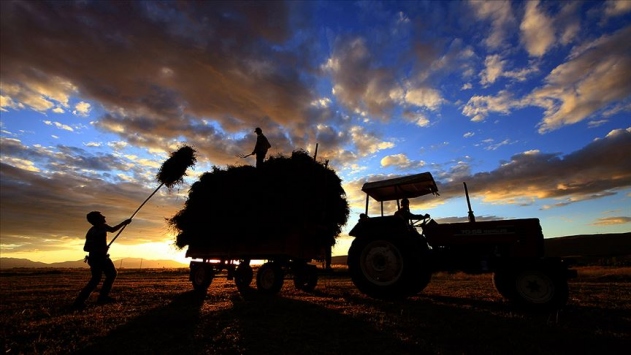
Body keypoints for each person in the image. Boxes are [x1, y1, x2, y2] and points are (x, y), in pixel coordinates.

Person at [72, 211, 131, 309]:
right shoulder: (93, 231)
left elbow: (112, 230)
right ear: (96, 220)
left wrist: (124, 223)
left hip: (103, 257)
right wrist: (99, 248)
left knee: (112, 274)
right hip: (96, 259)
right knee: (96, 279)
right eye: (101, 216)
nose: (104, 216)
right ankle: (79, 302)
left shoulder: (103, 227)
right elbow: (86, 248)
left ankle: (102, 297)